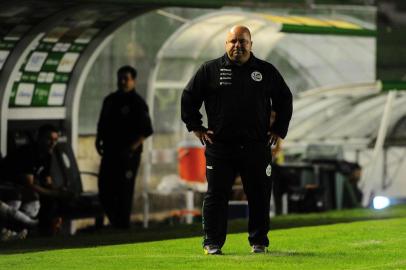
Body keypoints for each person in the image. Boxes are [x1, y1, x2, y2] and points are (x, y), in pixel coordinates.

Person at [181, 25, 293, 254]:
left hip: (256, 146)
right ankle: (212, 243)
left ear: (251, 45)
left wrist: (278, 129)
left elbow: (285, 98)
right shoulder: (210, 70)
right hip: (220, 147)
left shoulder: (265, 71)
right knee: (216, 195)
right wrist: (196, 127)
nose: (237, 46)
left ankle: (258, 242)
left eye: (242, 41)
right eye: (233, 42)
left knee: (259, 195)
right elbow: (189, 97)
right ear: (226, 44)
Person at [96, 65, 153, 229]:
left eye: (126, 79)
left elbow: (146, 130)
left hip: (128, 155)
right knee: (105, 188)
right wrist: (98, 140)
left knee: (124, 190)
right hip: (110, 152)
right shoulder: (110, 100)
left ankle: (122, 224)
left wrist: (131, 148)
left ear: (133, 81)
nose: (122, 82)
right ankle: (116, 221)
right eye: (120, 78)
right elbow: (102, 124)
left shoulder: (137, 102)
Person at [0, 125, 72, 235]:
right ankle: (27, 226)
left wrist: (59, 193)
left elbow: (47, 182)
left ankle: (25, 230)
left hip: (20, 187)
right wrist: (53, 193)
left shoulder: (48, 155)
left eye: (55, 140)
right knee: (20, 197)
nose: (52, 143)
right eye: (49, 139)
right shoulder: (28, 153)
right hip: (6, 184)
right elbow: (29, 183)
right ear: (39, 138)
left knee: (45, 200)